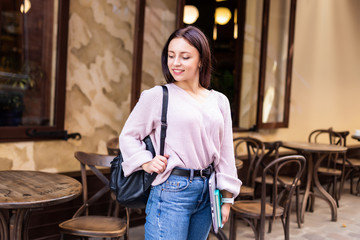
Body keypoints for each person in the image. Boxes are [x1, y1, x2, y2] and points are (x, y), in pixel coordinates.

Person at [119, 26, 241, 240]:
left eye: (185, 57)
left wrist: (228, 199)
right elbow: (128, 135)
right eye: (171, 56)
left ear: (201, 60)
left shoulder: (219, 100)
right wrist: (145, 162)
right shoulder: (158, 96)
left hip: (207, 192)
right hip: (172, 190)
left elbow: (225, 152)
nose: (175, 63)